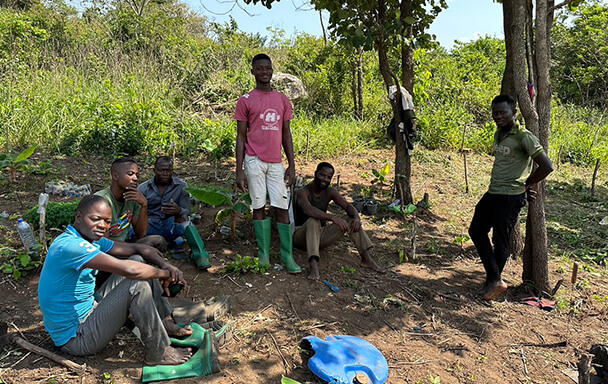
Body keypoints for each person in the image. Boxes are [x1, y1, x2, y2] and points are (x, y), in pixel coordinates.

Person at [38, 195, 193, 365]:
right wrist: (164, 274)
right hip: (77, 338)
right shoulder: (71, 246)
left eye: (107, 221)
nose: (102, 226)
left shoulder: (88, 239)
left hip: (90, 311)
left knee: (137, 259)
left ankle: (163, 324)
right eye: (95, 219)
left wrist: (167, 266)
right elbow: (129, 270)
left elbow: (138, 248)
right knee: (137, 283)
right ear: (79, 217)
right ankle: (159, 351)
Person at [469, 95, 554, 301]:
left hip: (510, 196)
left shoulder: (524, 136)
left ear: (514, 113)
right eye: (495, 113)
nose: (498, 116)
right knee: (476, 230)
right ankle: (494, 279)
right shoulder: (499, 133)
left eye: (503, 113)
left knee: (501, 240)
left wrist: (527, 183)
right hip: (494, 192)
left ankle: (494, 281)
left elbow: (547, 166)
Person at [234, 53, 300, 273]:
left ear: (272, 70)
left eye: (268, 68)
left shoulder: (282, 99)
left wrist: (291, 165)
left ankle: (287, 256)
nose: (265, 72)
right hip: (253, 161)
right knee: (259, 206)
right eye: (260, 68)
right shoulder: (246, 100)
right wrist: (239, 170)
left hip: (275, 163)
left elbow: (286, 133)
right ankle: (263, 255)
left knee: (281, 207)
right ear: (253, 72)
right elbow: (241, 136)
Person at [293, 162, 384, 280]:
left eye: (328, 177)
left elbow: (347, 206)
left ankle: (366, 259)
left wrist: (357, 218)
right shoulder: (303, 192)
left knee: (351, 219)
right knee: (313, 220)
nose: (324, 179)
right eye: (322, 175)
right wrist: (332, 218)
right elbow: (309, 210)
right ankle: (314, 267)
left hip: (320, 235)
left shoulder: (330, 191)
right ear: (315, 174)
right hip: (301, 236)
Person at [138, 156, 210, 269]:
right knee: (130, 229)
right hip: (150, 226)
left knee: (185, 221)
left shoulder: (181, 186)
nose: (165, 173)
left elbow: (187, 210)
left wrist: (178, 210)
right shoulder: (143, 188)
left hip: (170, 224)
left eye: (168, 170)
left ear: (172, 171)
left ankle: (200, 255)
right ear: (154, 170)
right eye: (161, 170)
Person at [94, 158, 165, 251]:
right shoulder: (101, 201)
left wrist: (144, 205)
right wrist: (135, 248)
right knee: (138, 258)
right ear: (115, 176)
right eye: (130, 174)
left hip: (125, 244)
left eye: (137, 175)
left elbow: (141, 234)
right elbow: (104, 243)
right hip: (106, 249)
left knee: (159, 240)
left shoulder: (133, 197)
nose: (135, 178)